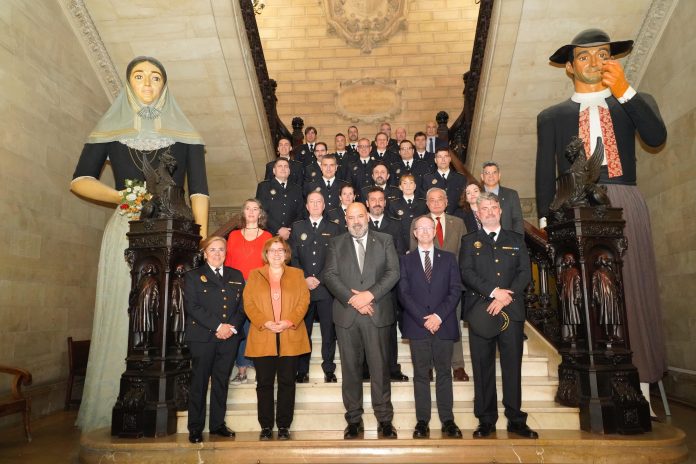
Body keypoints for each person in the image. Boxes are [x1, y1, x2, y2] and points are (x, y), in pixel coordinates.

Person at [70, 56, 208, 432]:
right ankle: (120, 402)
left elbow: (199, 191)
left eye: (156, 78)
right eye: (139, 76)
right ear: (129, 83)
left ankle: (175, 402)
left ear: (165, 85)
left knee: (174, 314)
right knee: (126, 311)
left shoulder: (187, 135)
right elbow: (80, 179)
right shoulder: (110, 131)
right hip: (126, 230)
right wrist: (122, 197)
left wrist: (198, 241)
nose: (148, 84)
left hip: (176, 237)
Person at [536, 29, 667, 408]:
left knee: (633, 286)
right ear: (568, 66)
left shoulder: (633, 102)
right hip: (575, 207)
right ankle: (588, 381)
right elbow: (545, 172)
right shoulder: (553, 117)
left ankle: (641, 380)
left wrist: (626, 91)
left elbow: (656, 136)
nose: (595, 62)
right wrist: (547, 220)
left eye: (603, 54)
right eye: (584, 56)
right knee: (585, 294)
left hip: (623, 197)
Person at [459, 192, 537, 439]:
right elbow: (467, 272)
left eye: (494, 207)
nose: (490, 211)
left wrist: (505, 297)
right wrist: (493, 293)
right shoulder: (469, 241)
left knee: (512, 366)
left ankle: (515, 419)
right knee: (482, 368)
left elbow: (524, 272)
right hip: (481, 311)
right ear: (478, 214)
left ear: (500, 211)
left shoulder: (516, 239)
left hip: (511, 311)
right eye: (485, 208)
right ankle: (486, 420)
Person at [324, 202, 401, 439]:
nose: (356, 221)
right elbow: (329, 275)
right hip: (347, 317)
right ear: (345, 220)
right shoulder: (336, 243)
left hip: (377, 313)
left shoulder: (385, 239)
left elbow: (393, 272)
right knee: (350, 370)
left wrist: (370, 295)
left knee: (380, 369)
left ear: (367, 217)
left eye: (360, 216)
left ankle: (385, 420)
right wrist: (352, 299)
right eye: (351, 217)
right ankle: (354, 420)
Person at [399, 215, 463, 439]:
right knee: (420, 374)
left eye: (429, 228)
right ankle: (422, 422)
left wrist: (437, 316)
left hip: (443, 324)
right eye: (420, 229)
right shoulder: (405, 261)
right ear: (415, 233)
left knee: (444, 373)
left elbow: (455, 291)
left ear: (435, 231)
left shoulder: (448, 259)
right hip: (418, 326)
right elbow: (404, 294)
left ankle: (448, 421)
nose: (425, 232)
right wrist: (425, 318)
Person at [243, 237, 310, 440]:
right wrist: (265, 322)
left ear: (286, 253)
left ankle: (283, 426)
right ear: (266, 253)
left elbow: (304, 301)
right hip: (263, 335)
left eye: (280, 250)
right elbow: (249, 303)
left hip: (290, 335)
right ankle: (265, 426)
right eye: (272, 250)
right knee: (263, 384)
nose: (276, 253)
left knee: (287, 382)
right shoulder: (254, 275)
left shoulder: (297, 274)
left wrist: (289, 321)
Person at [184, 236, 245, 443]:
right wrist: (218, 326)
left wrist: (230, 328)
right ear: (205, 253)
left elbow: (241, 307)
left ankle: (217, 424)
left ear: (226, 253)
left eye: (221, 250)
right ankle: (195, 428)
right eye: (213, 250)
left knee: (221, 382)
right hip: (202, 338)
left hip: (229, 338)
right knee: (199, 383)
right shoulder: (193, 276)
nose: (217, 253)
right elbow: (192, 307)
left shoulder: (236, 275)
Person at [409, 188, 469, 382]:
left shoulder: (458, 223)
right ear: (427, 203)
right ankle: (427, 366)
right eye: (431, 200)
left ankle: (458, 366)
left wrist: (457, 282)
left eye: (439, 199)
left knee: (453, 325)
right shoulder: (418, 223)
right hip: (425, 287)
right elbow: (413, 256)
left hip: (451, 285)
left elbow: (465, 254)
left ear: (446, 201)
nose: (436, 203)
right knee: (426, 324)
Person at [290, 192, 342, 383]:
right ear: (306, 205)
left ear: (324, 205)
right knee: (303, 331)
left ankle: (329, 369)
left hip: (326, 288)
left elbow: (335, 259)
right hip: (302, 289)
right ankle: (302, 370)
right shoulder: (297, 227)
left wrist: (318, 278)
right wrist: (304, 278)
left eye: (318, 202)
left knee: (329, 331)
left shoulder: (334, 228)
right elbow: (292, 257)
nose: (315, 204)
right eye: (311, 201)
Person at [225, 199, 273, 385]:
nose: (252, 212)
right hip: (235, 287)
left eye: (255, 209)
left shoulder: (267, 235)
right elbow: (228, 263)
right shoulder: (234, 235)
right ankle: (242, 370)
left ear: (260, 213)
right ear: (243, 213)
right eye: (248, 208)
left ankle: (259, 367)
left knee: (256, 328)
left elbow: (270, 264)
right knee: (238, 327)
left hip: (258, 286)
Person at [256, 158, 304, 240]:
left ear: (289, 171)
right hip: (270, 234)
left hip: (291, 235)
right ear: (274, 171)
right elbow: (260, 210)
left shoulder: (297, 188)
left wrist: (289, 230)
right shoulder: (264, 187)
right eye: (280, 166)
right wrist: (278, 229)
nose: (283, 168)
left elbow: (301, 212)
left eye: (286, 166)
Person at [480, 161, 524, 235]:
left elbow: (517, 220)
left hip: (507, 241)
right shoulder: (476, 195)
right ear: (482, 176)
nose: (491, 176)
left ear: (499, 175)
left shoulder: (511, 194)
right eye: (487, 173)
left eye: (494, 172)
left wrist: (518, 242)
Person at [420, 148, 466, 215]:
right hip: (434, 217)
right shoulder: (427, 178)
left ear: (450, 159)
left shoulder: (460, 178)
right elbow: (424, 201)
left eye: (446, 156)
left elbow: (464, 201)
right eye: (439, 157)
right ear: (435, 160)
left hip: (456, 218)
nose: (443, 159)